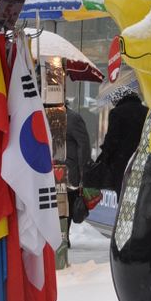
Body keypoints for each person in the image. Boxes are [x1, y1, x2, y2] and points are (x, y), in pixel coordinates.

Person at [89, 87, 148, 197]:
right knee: (138, 193)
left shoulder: (117, 112)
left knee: (122, 192)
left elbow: (112, 139)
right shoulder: (146, 111)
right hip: (141, 160)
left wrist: (104, 158)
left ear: (118, 99)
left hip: (122, 161)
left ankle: (123, 212)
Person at [65, 104, 91, 246]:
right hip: (49, 169)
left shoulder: (73, 119)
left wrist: (83, 169)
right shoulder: (43, 116)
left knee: (67, 203)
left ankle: (64, 236)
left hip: (69, 171)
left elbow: (84, 144)